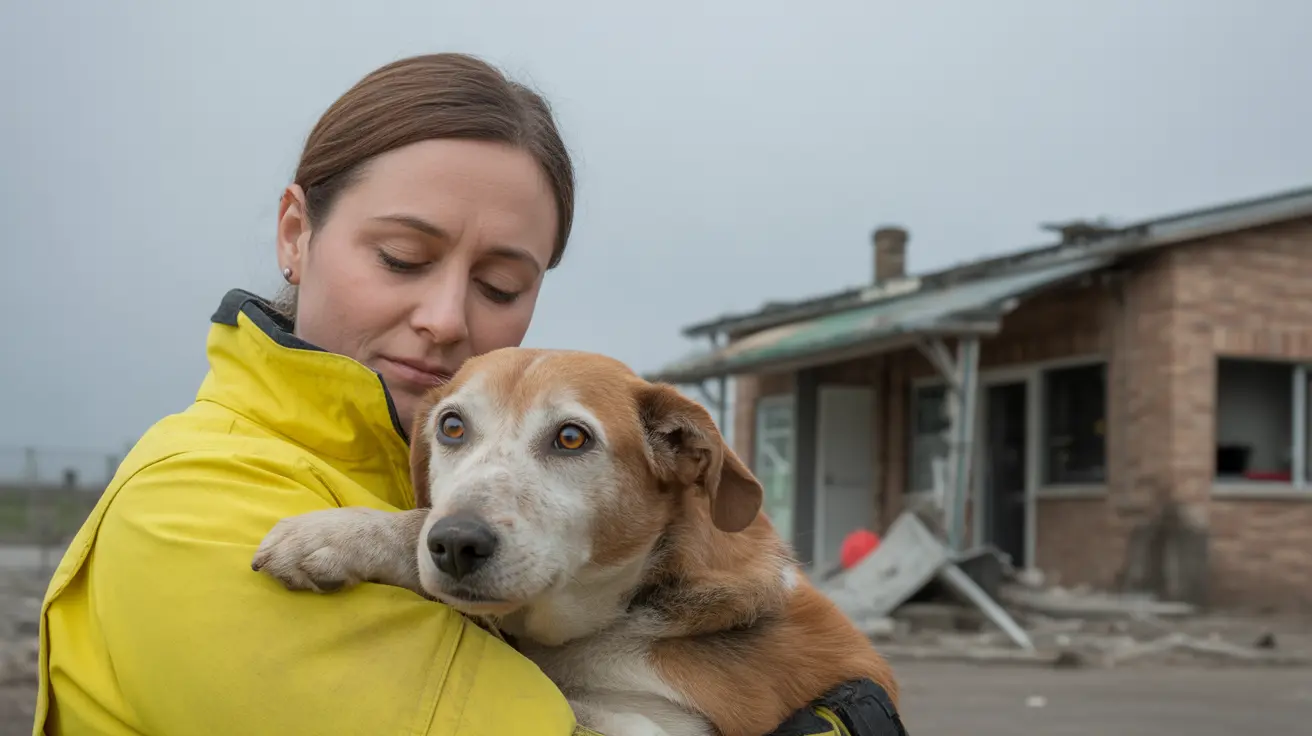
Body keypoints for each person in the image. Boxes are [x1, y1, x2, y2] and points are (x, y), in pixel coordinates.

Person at [35, 52, 904, 736]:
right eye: (403, 259)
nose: (446, 320)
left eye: (499, 285)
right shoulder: (188, 511)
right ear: (296, 233)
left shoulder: (406, 469)